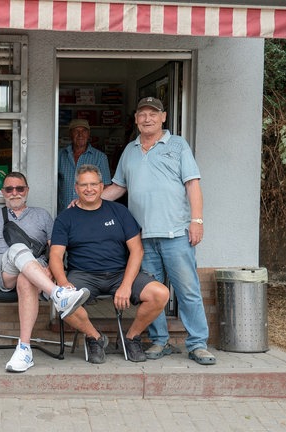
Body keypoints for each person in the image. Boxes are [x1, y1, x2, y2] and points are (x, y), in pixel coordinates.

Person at [101, 96, 216, 366]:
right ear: (136, 119)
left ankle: (198, 344)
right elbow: (118, 188)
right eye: (142, 113)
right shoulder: (129, 150)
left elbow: (193, 185)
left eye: (153, 113)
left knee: (187, 291)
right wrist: (89, 200)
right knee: (151, 293)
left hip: (176, 234)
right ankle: (159, 340)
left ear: (163, 117)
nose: (147, 118)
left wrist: (196, 221)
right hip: (142, 238)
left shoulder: (178, 146)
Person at [0, 172, 96, 372]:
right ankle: (58, 294)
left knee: (27, 278)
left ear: (27, 191)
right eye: (9, 189)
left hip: (35, 272)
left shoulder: (42, 215)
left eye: (20, 188)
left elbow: (55, 251)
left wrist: (51, 268)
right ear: (3, 192)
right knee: (18, 249)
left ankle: (24, 349)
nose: (15, 193)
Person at [50, 164, 170, 363]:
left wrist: (126, 285)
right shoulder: (65, 218)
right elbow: (55, 256)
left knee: (161, 293)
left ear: (102, 186)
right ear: (76, 188)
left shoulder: (119, 211)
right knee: (62, 301)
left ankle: (131, 337)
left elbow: (137, 250)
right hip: (83, 274)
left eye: (94, 184)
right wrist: (63, 283)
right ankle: (95, 338)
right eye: (84, 185)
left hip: (120, 273)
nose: (89, 189)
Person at [57, 119, 111, 210]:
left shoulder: (100, 157)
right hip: (63, 210)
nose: (80, 135)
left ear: (88, 134)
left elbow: (106, 186)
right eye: (76, 131)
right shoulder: (59, 155)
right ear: (70, 134)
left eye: (84, 131)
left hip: (90, 211)